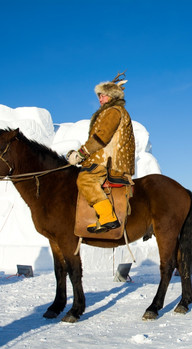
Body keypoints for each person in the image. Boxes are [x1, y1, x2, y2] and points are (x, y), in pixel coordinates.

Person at [67, 73, 135, 233]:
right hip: (106, 157)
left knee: (85, 180)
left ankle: (107, 218)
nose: (100, 98)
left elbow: (101, 137)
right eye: (99, 95)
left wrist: (81, 154)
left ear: (112, 96)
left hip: (111, 160)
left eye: (104, 95)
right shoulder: (113, 111)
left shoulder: (113, 111)